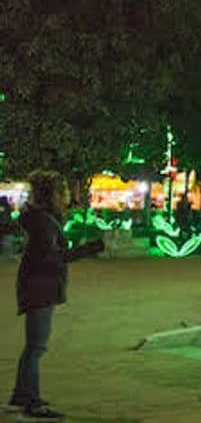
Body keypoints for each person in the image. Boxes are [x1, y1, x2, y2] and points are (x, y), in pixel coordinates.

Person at [10, 170, 104, 419]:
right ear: (50, 195)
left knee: (34, 346)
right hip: (40, 288)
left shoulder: (42, 219)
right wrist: (89, 249)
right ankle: (32, 402)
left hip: (37, 287)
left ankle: (22, 395)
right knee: (36, 347)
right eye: (62, 192)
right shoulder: (43, 223)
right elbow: (53, 258)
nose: (66, 197)